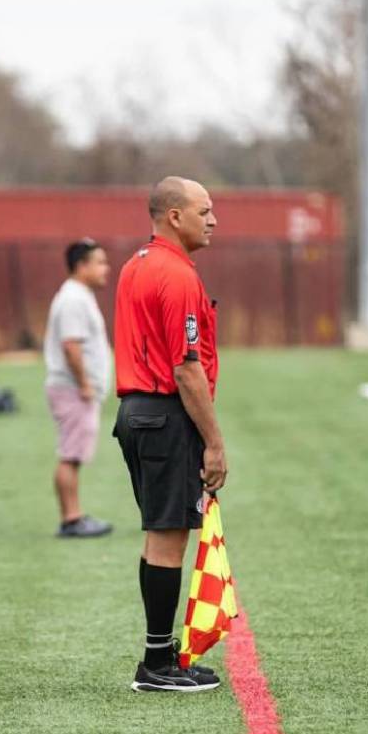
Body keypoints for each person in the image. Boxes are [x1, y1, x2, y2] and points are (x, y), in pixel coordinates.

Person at [113, 176, 226, 693]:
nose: (213, 219)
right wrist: (215, 442)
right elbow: (186, 368)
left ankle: (161, 655)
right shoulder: (176, 275)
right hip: (163, 414)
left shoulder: (135, 265)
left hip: (136, 414)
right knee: (166, 539)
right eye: (204, 210)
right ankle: (156, 665)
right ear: (174, 216)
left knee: (159, 536)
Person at [44, 238, 114, 539]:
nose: (106, 269)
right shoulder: (73, 298)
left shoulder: (79, 295)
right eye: (99, 262)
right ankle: (71, 519)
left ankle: (73, 516)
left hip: (76, 388)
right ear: (81, 266)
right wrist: (85, 383)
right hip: (73, 388)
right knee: (71, 454)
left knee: (73, 454)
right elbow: (70, 345)